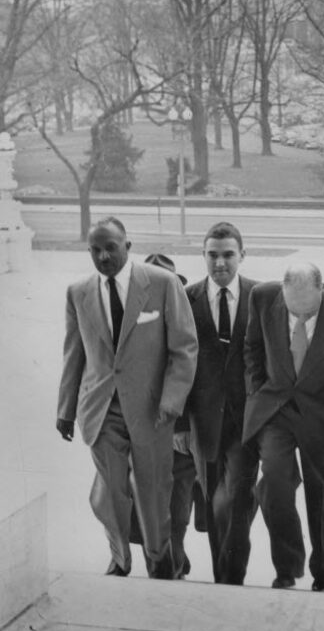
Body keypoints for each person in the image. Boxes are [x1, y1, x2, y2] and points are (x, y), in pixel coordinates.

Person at [56, 217, 198, 578]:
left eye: (111, 248)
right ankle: (120, 558)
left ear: (128, 246)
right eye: (95, 250)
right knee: (112, 494)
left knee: (153, 493)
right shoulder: (78, 292)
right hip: (101, 411)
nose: (103, 256)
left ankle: (159, 558)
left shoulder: (162, 284)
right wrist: (65, 410)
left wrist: (171, 400)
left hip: (152, 411)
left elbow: (185, 347)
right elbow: (74, 354)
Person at [243, 261, 324, 592]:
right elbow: (251, 348)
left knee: (323, 496)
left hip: (321, 413)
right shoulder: (263, 297)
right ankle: (287, 566)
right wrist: (256, 389)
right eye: (296, 312)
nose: (303, 319)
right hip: (276, 409)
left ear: (322, 289)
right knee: (276, 484)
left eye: (309, 312)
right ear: (282, 293)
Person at [185, 223, 259, 584]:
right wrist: (182, 424)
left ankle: (232, 577)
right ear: (203, 256)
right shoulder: (186, 298)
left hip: (247, 421)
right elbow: (176, 364)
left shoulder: (262, 296)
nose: (220, 263)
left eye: (228, 254)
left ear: (242, 256)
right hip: (204, 423)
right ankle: (223, 578)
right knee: (214, 500)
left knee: (235, 499)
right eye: (212, 255)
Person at [127, 252, 199, 579]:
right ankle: (163, 570)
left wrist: (182, 425)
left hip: (177, 440)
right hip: (141, 437)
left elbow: (195, 383)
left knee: (177, 513)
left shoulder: (188, 322)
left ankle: (175, 565)